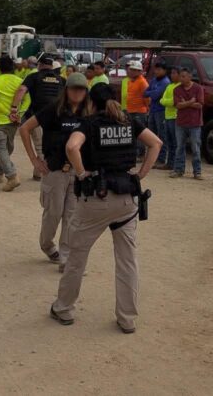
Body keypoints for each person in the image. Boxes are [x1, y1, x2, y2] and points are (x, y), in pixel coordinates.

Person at [49, 83, 162, 334]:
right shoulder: (129, 122)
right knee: (127, 261)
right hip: (126, 200)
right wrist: (140, 174)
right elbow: (156, 143)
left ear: (92, 102)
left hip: (95, 199)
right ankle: (127, 318)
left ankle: (64, 308)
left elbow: (71, 147)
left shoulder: (88, 124)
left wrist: (80, 173)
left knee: (77, 258)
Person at [20, 72, 91, 269]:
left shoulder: (89, 113)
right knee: (53, 213)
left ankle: (65, 257)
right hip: (55, 172)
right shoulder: (54, 109)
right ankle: (47, 245)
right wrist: (35, 160)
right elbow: (25, 129)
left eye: (81, 89)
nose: (77, 93)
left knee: (72, 217)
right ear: (66, 90)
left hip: (77, 173)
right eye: (74, 88)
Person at [12, 56, 65, 178]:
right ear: (51, 66)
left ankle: (43, 172)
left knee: (40, 146)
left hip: (37, 117)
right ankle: (38, 173)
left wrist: (14, 108)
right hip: (57, 117)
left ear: (39, 65)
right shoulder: (61, 80)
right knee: (52, 143)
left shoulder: (34, 77)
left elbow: (21, 90)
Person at [0, 56, 28, 192]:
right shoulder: (21, 82)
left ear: (0, 68)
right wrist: (18, 115)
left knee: (1, 149)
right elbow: (28, 101)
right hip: (14, 122)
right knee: (8, 149)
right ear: (13, 68)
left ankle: (12, 176)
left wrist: (8, 114)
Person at [170, 67, 204, 180]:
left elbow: (200, 105)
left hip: (195, 123)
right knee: (179, 147)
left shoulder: (198, 88)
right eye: (180, 76)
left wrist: (185, 103)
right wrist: (190, 102)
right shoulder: (177, 89)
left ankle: (197, 172)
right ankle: (178, 170)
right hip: (181, 123)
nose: (181, 78)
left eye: (183, 76)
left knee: (195, 147)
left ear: (190, 76)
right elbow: (177, 105)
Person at [144, 62, 171, 169]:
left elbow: (155, 95)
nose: (156, 72)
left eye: (159, 70)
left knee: (161, 135)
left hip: (161, 111)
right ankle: (152, 158)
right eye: (156, 69)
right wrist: (152, 92)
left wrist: (152, 92)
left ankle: (161, 159)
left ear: (164, 70)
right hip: (153, 110)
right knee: (152, 135)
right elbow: (145, 93)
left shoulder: (165, 82)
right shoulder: (154, 80)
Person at [122, 61, 150, 157]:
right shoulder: (131, 81)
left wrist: (146, 108)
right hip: (131, 110)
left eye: (134, 70)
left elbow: (147, 97)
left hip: (139, 111)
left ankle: (140, 153)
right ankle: (136, 152)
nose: (131, 72)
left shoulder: (142, 82)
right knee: (133, 132)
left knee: (139, 133)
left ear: (139, 72)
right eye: (131, 69)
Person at [158, 66, 181, 171]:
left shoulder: (180, 87)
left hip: (175, 117)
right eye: (171, 73)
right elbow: (162, 100)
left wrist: (165, 101)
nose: (172, 75)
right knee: (169, 142)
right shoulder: (169, 86)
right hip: (167, 116)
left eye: (174, 73)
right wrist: (166, 101)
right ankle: (170, 163)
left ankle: (176, 165)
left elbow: (173, 102)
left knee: (176, 143)